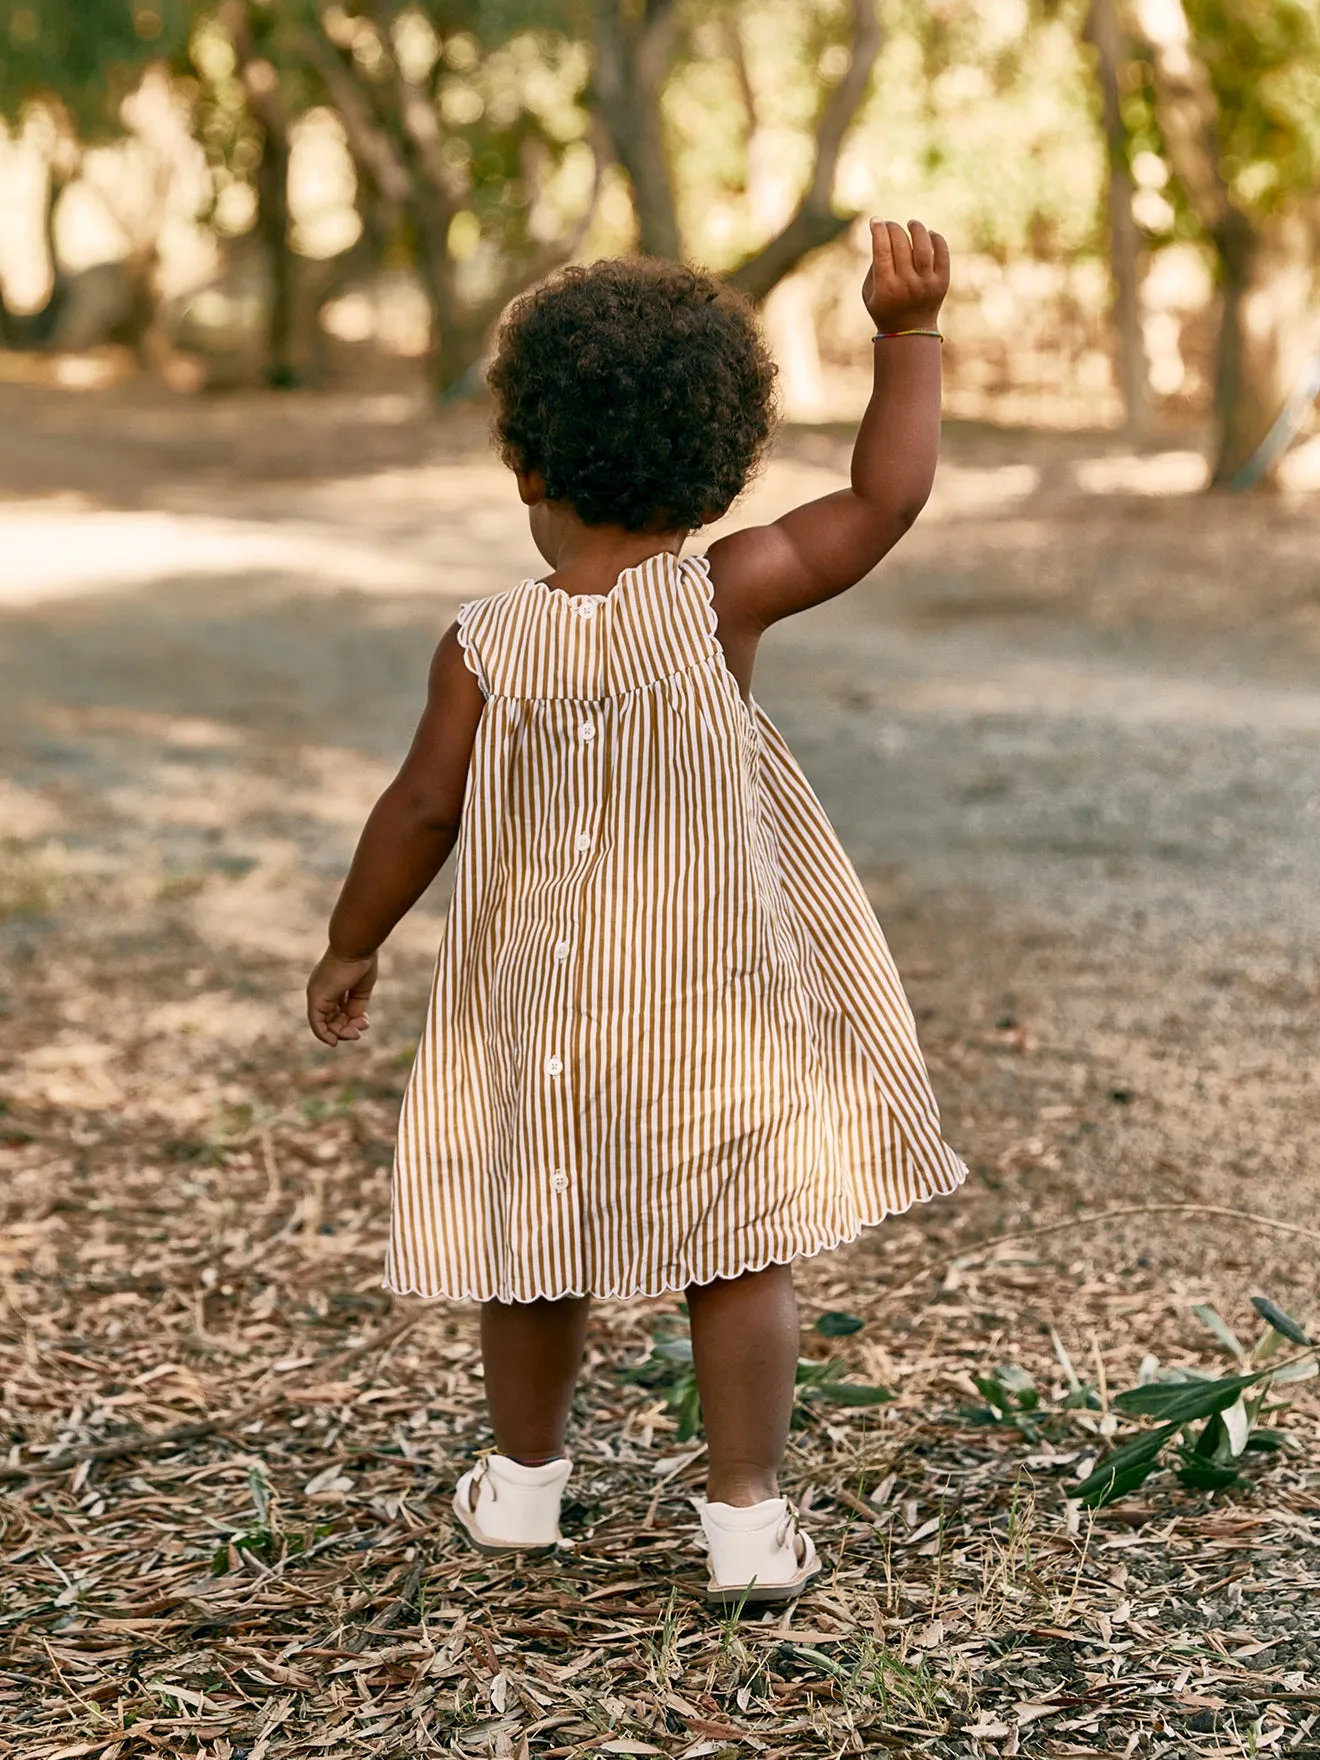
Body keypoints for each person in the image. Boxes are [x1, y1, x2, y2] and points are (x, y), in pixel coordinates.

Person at [306, 220, 966, 1608]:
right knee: (735, 1251)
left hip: (537, 1020)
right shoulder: (719, 596)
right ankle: (744, 1519)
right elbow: (882, 503)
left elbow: (418, 811)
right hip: (706, 1011)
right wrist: (906, 341)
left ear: (526, 463)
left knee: (531, 1249)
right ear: (714, 462)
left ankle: (523, 1490)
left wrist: (352, 939)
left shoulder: (484, 642)